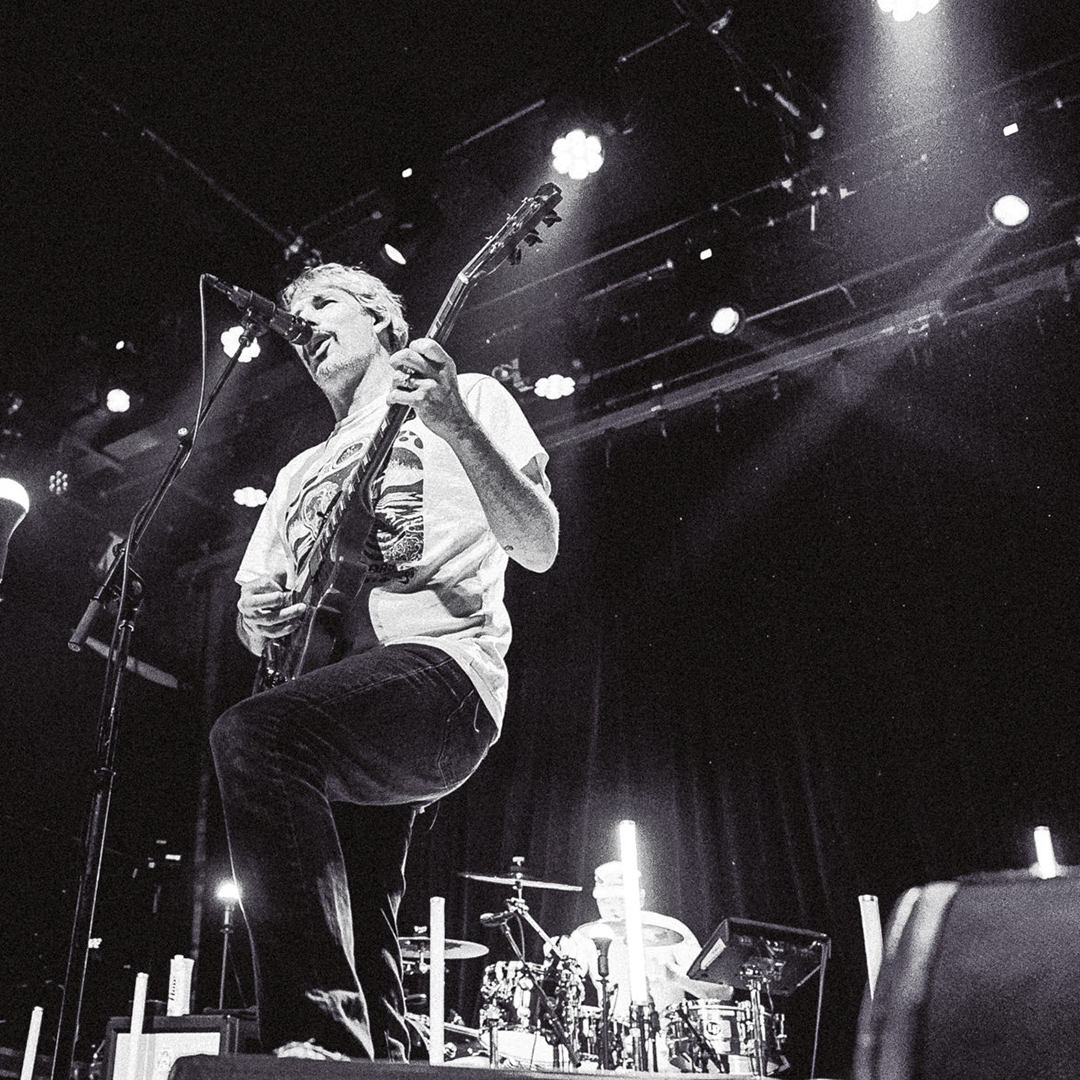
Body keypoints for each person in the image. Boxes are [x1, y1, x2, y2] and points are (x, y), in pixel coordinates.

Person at [209, 263, 558, 1061]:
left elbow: (539, 544)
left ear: (383, 322)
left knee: (254, 735)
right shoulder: (298, 472)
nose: (303, 324)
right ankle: (381, 1061)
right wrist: (256, 619)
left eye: (324, 302)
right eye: (293, 313)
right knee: (361, 909)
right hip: (340, 696)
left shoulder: (466, 399)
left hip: (443, 673)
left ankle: (314, 1033)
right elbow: (258, 624)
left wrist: (455, 422)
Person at [558, 862, 728, 1021]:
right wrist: (558, 957)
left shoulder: (671, 929)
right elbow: (567, 985)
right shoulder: (585, 935)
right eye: (605, 900)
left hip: (668, 1033)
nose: (612, 908)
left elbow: (723, 991)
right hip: (612, 1035)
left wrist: (675, 976)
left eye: (621, 900)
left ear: (640, 898)